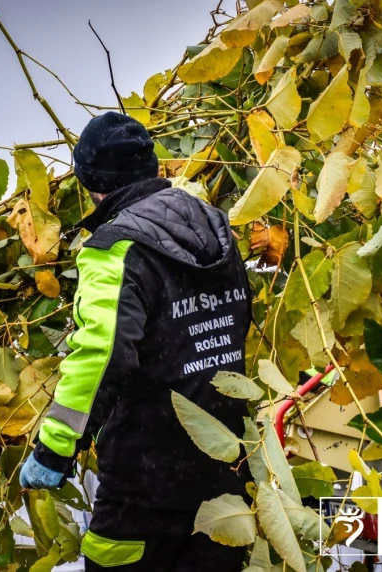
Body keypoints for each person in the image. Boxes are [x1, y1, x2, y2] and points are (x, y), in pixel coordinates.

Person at [19, 112, 252, 571]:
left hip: (145, 478)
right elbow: (239, 316)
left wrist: (55, 449)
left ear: (90, 180)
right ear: (150, 167)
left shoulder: (114, 247)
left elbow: (101, 357)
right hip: (223, 465)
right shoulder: (217, 226)